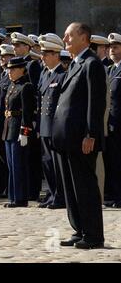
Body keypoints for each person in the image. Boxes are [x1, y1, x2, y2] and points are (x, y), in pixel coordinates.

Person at [53, 22, 106, 249]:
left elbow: (95, 103)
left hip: (81, 139)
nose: (65, 40)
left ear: (84, 37)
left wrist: (91, 134)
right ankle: (79, 229)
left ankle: (93, 235)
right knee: (71, 189)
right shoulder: (76, 63)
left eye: (69, 36)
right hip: (67, 139)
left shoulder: (91, 64)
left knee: (85, 187)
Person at [36, 38, 67, 209]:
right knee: (47, 163)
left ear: (56, 55)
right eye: (42, 54)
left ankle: (60, 196)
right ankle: (52, 193)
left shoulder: (62, 74)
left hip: (55, 127)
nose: (43, 57)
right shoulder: (45, 74)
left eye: (46, 54)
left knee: (56, 164)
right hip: (44, 125)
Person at [2, 57, 35, 208]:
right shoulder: (12, 86)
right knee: (11, 165)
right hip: (9, 127)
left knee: (18, 165)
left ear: (22, 69)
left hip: (18, 128)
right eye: (9, 69)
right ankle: (13, 196)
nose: (10, 72)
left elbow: (27, 112)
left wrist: (25, 131)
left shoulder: (25, 86)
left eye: (13, 69)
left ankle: (21, 198)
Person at [0, 44, 15, 198]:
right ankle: (3, 185)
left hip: (7, 120)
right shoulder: (2, 74)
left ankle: (8, 186)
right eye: (1, 56)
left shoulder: (13, 75)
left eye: (6, 56)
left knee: (7, 156)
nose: (2, 58)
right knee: (0, 155)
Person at [103, 33, 121, 208]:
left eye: (116, 47)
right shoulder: (110, 70)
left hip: (119, 123)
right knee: (112, 161)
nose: (112, 51)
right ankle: (114, 194)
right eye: (110, 48)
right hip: (110, 123)